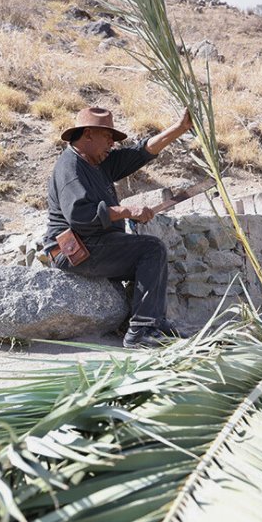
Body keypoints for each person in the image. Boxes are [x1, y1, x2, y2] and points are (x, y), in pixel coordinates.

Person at [43, 106, 193, 348]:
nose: (112, 144)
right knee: (151, 250)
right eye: (107, 137)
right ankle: (141, 331)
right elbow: (81, 216)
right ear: (88, 134)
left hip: (94, 245)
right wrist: (126, 211)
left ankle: (151, 322)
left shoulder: (98, 162)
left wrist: (178, 129)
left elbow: (141, 152)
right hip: (76, 251)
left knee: (149, 257)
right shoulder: (71, 168)